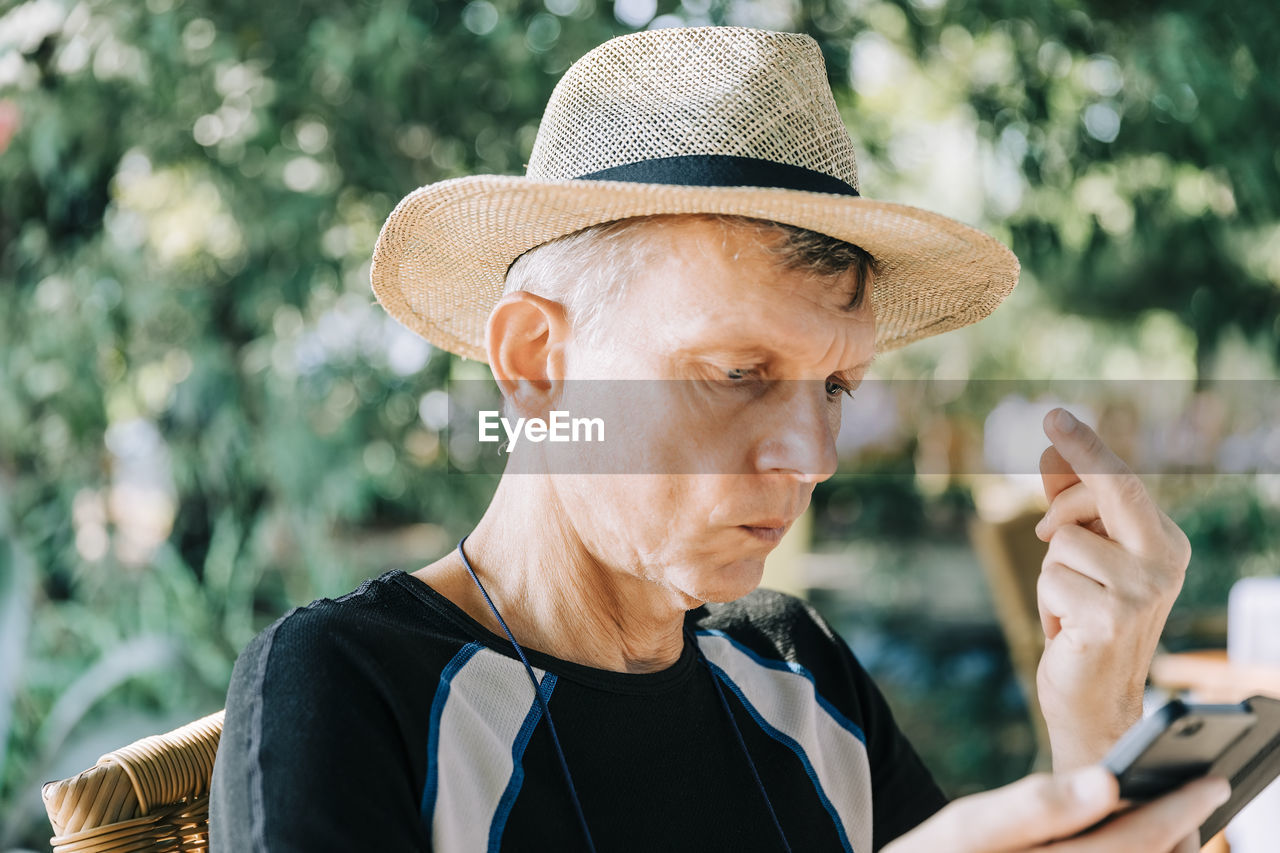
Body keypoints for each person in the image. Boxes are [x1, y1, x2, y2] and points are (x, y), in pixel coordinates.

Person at [208, 25, 1227, 852]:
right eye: (737, 373)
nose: (813, 453)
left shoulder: (795, 673)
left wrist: (1097, 728)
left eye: (835, 383)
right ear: (534, 364)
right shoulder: (349, 685)